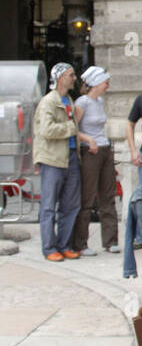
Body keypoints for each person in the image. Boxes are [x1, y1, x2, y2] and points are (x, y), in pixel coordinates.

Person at [33, 62, 98, 261]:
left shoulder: (68, 99)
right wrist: (71, 127)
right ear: (60, 78)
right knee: (49, 205)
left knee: (71, 204)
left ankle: (64, 245)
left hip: (70, 156)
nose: (74, 78)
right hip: (52, 159)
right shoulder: (49, 102)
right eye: (70, 75)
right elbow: (47, 130)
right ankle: (49, 248)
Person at [72, 66, 119, 256]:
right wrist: (88, 140)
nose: (108, 86)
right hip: (90, 151)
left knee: (108, 195)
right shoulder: (82, 103)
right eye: (105, 82)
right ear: (95, 84)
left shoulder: (100, 101)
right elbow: (73, 128)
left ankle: (111, 241)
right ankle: (81, 243)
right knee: (87, 197)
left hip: (105, 148)